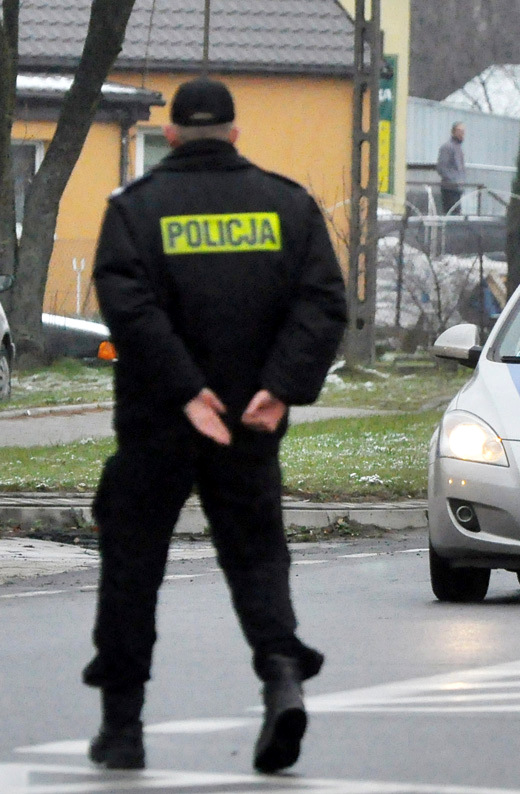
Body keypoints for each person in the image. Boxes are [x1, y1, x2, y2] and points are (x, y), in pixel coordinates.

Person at [84, 78, 347, 774]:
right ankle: (282, 673)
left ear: (167, 135)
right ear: (235, 133)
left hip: (157, 426)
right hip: (250, 425)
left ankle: (122, 727)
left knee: (132, 569)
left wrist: (186, 391)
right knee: (258, 558)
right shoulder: (287, 205)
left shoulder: (136, 211)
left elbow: (127, 307)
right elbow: (323, 304)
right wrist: (278, 390)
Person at [436, 121, 466, 214]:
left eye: (463, 131)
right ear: (453, 132)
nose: (462, 134)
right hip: (449, 188)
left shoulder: (459, 148)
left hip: (457, 189)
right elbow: (441, 168)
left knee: (457, 215)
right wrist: (453, 181)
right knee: (451, 215)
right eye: (459, 131)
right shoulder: (447, 147)